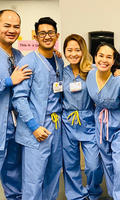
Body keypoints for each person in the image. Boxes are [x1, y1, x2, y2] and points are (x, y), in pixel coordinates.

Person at [12, 17, 64, 200]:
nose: (47, 36)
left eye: (50, 33)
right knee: (33, 180)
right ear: (35, 36)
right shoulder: (29, 62)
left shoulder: (59, 61)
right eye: (42, 33)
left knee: (53, 175)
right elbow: (19, 99)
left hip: (56, 126)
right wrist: (34, 127)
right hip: (36, 127)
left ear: (57, 35)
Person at [86, 42, 120, 200]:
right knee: (108, 166)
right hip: (101, 127)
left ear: (114, 60)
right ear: (95, 57)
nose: (104, 60)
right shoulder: (90, 74)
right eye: (100, 55)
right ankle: (115, 196)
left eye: (109, 57)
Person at [62, 34, 103, 200]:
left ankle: (93, 191)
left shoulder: (91, 72)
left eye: (77, 50)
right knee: (70, 164)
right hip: (67, 121)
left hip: (88, 120)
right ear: (64, 52)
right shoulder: (61, 72)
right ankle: (76, 195)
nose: (73, 54)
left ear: (83, 51)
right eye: (69, 50)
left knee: (93, 165)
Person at [0, 9, 32, 200]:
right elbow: (13, 81)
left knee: (13, 171)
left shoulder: (19, 55)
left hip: (14, 125)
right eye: (7, 25)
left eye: (16, 26)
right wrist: (9, 81)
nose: (12, 30)